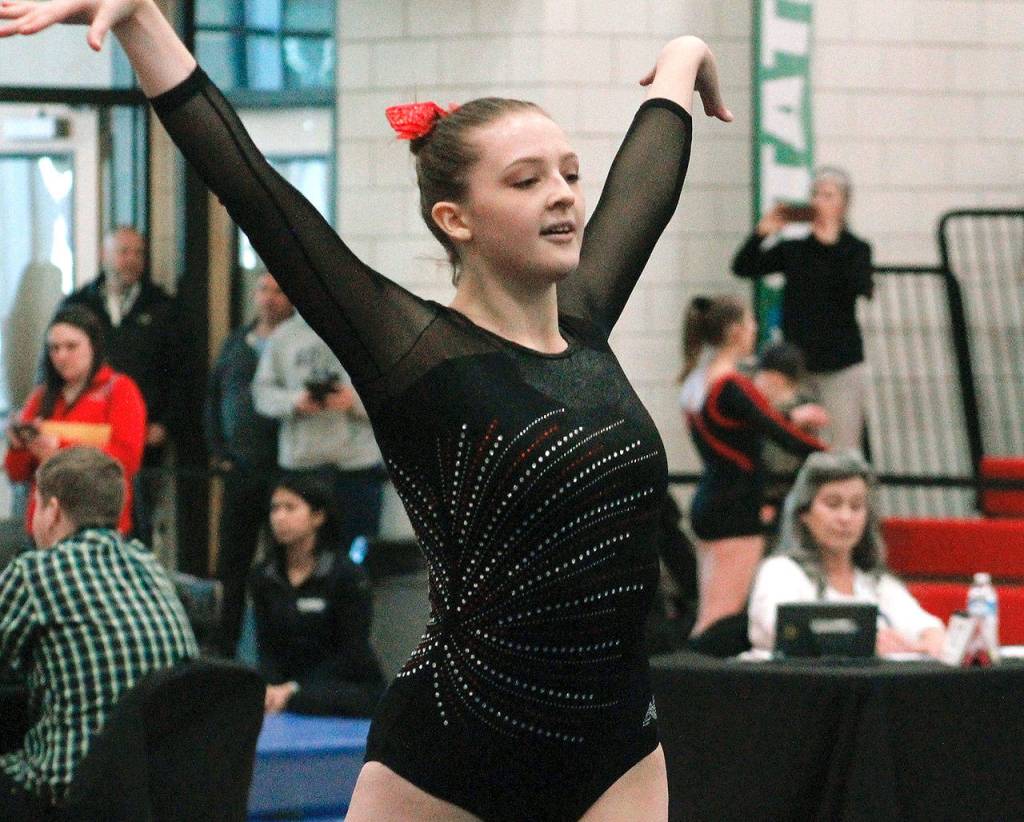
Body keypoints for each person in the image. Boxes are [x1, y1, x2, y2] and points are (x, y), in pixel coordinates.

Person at [0, 4, 731, 818]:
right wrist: (141, 19)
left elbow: (648, 182)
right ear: (456, 220)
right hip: (455, 754)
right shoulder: (411, 354)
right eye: (527, 181)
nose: (563, 196)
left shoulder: (586, 326)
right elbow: (254, 190)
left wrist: (683, 55)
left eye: (568, 172)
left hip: (618, 751)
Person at [0, 446, 197, 817]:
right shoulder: (147, 563)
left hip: (69, 792)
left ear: (53, 511)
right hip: (154, 792)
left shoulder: (35, 572)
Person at [679, 296, 828, 639]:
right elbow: (780, 434)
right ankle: (698, 688)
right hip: (736, 505)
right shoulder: (731, 384)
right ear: (735, 332)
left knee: (708, 614)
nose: (754, 331)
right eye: (750, 324)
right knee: (719, 619)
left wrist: (790, 419)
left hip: (711, 499)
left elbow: (741, 425)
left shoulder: (695, 382)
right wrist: (830, 455)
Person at [58, 225, 190, 542]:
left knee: (137, 526)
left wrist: (166, 424)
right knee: (84, 521)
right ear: (104, 254)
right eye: (123, 251)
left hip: (144, 440)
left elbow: (183, 373)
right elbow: (53, 369)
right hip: (87, 439)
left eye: (138, 253)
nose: (131, 260)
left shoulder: (164, 308)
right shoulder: (78, 305)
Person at [748, 450, 946, 657]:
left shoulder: (878, 583)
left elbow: (930, 629)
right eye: (833, 504)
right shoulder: (781, 571)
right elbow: (785, 631)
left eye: (856, 506)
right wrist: (868, 642)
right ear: (803, 513)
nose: (845, 517)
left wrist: (929, 640)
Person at [731, 167, 874, 450]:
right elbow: (743, 266)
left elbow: (858, 288)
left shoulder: (855, 249)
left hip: (840, 363)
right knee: (790, 442)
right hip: (798, 363)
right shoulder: (794, 249)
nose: (820, 201)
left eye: (829, 195)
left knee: (842, 444)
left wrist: (830, 240)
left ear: (843, 204)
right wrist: (763, 231)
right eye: (815, 194)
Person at [205, 269, 293, 655]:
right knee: (232, 562)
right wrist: (219, 450)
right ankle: (225, 644)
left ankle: (277, 649)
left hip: (284, 473)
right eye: (263, 289)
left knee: (281, 564)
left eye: (278, 290)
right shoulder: (236, 344)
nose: (270, 298)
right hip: (239, 470)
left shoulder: (297, 344)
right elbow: (212, 398)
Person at [4, 304, 146, 535]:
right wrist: (18, 444)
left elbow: (127, 460)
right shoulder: (41, 397)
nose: (61, 356)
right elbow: (16, 473)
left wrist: (59, 449)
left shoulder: (120, 389)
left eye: (71, 347)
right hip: (46, 527)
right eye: (54, 348)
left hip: (99, 525)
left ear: (93, 346)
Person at [250, 474, 385, 717]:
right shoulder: (264, 576)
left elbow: (353, 653)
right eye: (274, 509)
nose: (279, 517)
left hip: (342, 685)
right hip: (285, 689)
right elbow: (266, 647)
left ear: (318, 516)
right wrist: (271, 686)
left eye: (290, 508)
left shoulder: (347, 576)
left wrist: (294, 689)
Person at [252, 310, 384, 556]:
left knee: (357, 557)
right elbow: (261, 395)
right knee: (302, 557)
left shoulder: (369, 333)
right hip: (303, 465)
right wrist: (294, 402)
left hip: (355, 467)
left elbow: (393, 399)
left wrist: (352, 401)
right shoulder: (284, 336)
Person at [753, 341, 816, 532]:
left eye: (760, 376)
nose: (755, 382)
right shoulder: (804, 409)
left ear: (775, 379)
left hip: (782, 498)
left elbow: (778, 462)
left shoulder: (801, 414)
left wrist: (768, 500)